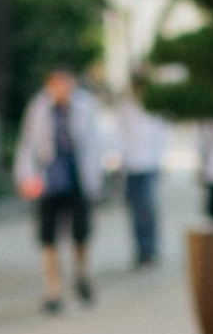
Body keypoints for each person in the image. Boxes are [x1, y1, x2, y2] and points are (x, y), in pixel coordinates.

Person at [14, 66, 105, 311]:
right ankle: (52, 289)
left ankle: (81, 274)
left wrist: (97, 178)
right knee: (48, 236)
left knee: (80, 232)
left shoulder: (85, 106)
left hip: (77, 176)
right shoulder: (39, 107)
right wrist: (25, 176)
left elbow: (95, 143)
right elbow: (28, 144)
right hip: (49, 178)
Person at [114, 92, 168, 267]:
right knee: (134, 208)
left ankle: (149, 249)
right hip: (131, 164)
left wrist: (159, 158)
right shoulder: (126, 104)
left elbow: (161, 133)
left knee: (146, 207)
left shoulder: (154, 104)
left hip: (149, 163)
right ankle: (140, 249)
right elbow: (120, 133)